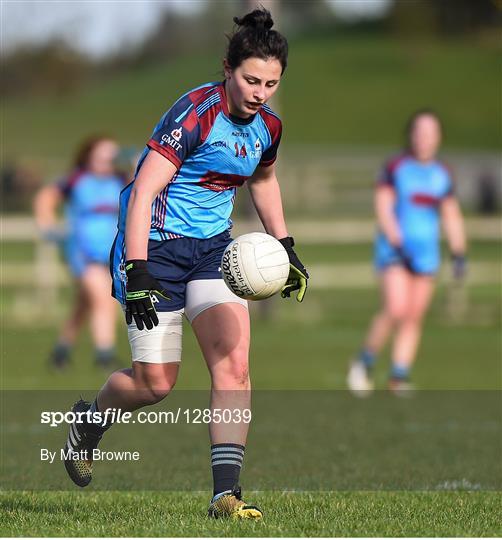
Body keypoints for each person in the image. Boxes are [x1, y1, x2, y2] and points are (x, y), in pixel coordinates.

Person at [62, 8, 308, 519]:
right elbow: (144, 189)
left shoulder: (268, 128)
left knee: (235, 368)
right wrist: (136, 269)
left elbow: (262, 180)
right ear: (227, 69)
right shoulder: (195, 113)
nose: (260, 92)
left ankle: (226, 494)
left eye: (271, 83)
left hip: (213, 251)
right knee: (156, 384)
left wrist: (284, 246)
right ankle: (87, 425)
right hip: (155, 249)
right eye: (251, 79)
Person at [347, 110, 467, 396]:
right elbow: (384, 208)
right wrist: (398, 244)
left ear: (438, 138)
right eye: (420, 132)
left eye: (431, 133)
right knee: (395, 308)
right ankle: (364, 362)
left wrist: (459, 251)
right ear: (411, 135)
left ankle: (398, 376)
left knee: (414, 315)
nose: (425, 139)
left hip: (427, 255)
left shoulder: (442, 173)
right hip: (396, 251)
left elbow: (451, 214)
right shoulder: (396, 167)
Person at [34, 136, 124, 368]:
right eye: (103, 153)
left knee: (84, 304)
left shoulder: (119, 180)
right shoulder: (76, 180)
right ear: (90, 155)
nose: (108, 158)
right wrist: (48, 226)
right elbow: (46, 198)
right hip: (83, 252)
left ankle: (61, 351)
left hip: (110, 252)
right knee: (104, 298)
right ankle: (105, 355)